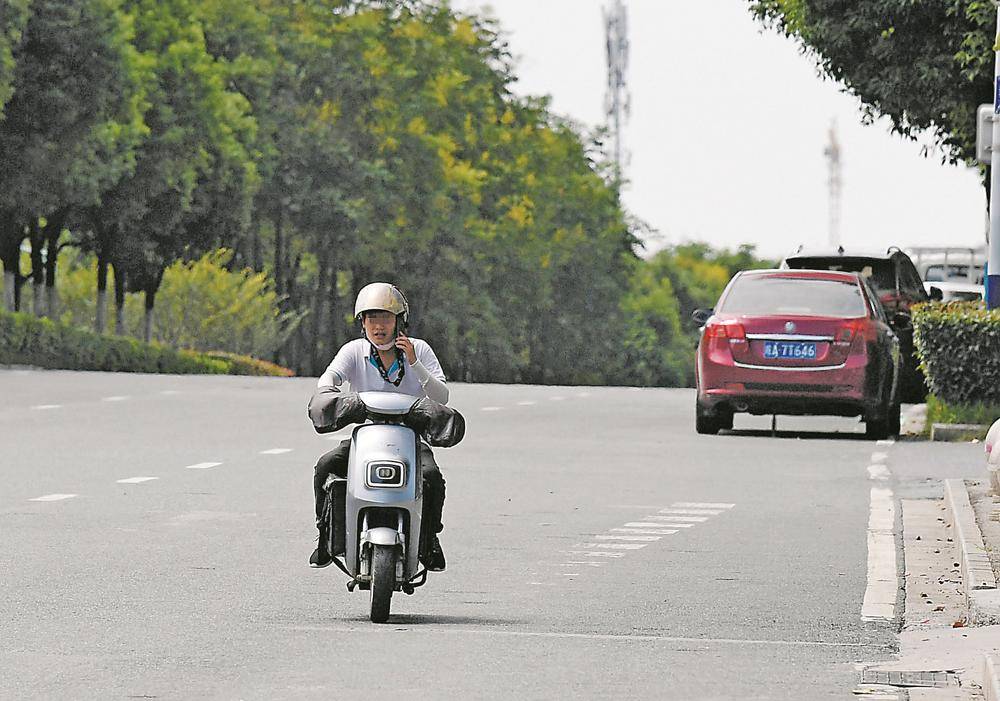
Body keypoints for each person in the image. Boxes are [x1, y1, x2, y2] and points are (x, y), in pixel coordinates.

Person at [310, 282, 449, 571]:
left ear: (400, 322)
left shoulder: (419, 350)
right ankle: (325, 535)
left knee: (433, 478)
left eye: (385, 318)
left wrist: (414, 363)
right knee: (325, 465)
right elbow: (331, 377)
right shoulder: (354, 351)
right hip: (367, 434)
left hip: (410, 436)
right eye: (371, 318)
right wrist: (327, 393)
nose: (379, 326)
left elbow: (442, 396)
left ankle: (431, 540)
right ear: (362, 323)